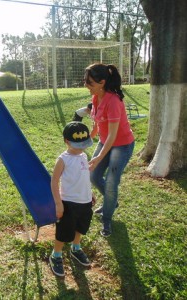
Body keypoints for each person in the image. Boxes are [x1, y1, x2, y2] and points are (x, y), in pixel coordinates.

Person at [84, 63, 135, 237]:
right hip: (106, 141)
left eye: (90, 82)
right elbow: (98, 121)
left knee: (112, 182)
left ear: (102, 82)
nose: (86, 85)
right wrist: (90, 137)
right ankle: (112, 202)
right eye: (86, 81)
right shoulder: (95, 97)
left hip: (122, 144)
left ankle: (107, 219)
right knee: (94, 175)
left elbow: (113, 136)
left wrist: (98, 158)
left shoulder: (113, 101)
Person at [49, 121, 95, 277]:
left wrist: (91, 192)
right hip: (68, 203)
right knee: (63, 231)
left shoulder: (83, 156)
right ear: (67, 142)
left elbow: (84, 176)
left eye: (85, 144)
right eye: (79, 144)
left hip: (85, 201)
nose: (83, 147)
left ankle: (76, 248)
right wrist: (58, 203)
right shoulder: (63, 159)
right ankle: (56, 255)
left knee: (80, 227)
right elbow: (54, 181)